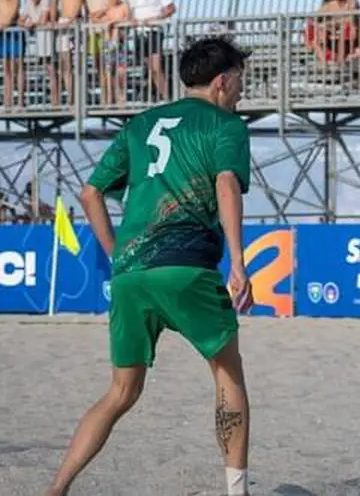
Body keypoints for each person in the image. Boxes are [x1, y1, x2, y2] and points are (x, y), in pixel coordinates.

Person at [47, 36, 256, 496]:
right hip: (186, 268)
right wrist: (239, 262)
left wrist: (115, 253)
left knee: (120, 393)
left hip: (130, 274)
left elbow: (89, 193)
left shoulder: (140, 124)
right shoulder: (226, 125)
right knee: (227, 373)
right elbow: (226, 183)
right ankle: (237, 492)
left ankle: (57, 488)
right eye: (241, 78)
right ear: (222, 81)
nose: (243, 88)